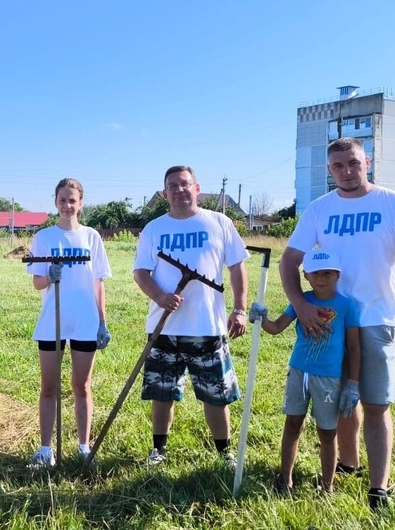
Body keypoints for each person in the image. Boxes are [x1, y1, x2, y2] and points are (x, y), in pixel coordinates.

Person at [280, 137, 395, 510]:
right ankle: (348, 463)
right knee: (340, 398)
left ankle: (378, 487)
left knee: (374, 401)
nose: (347, 172)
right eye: (338, 166)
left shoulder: (393, 203)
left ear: (366, 161)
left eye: (353, 163)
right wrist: (300, 306)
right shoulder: (319, 210)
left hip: (374, 316)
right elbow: (289, 261)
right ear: (329, 171)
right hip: (326, 319)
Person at [133, 165, 249, 466]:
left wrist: (240, 309)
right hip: (164, 327)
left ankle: (224, 452)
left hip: (207, 325)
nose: (179, 190)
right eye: (173, 186)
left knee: (215, 393)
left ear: (196, 188)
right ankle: (158, 449)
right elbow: (140, 272)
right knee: (162, 391)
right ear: (164, 193)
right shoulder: (154, 229)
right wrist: (159, 296)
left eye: (185, 184)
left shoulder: (219, 223)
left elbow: (237, 267)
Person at [249, 249, 361, 494]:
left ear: (337, 275)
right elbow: (276, 327)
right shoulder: (301, 302)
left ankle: (327, 486)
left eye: (327, 273)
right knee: (293, 424)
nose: (321, 278)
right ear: (306, 276)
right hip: (299, 373)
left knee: (327, 432)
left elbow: (354, 346)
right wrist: (261, 317)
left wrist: (353, 383)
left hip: (329, 378)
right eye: (315, 274)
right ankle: (285, 480)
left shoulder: (346, 306)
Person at [25, 178, 112, 468]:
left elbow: (98, 282)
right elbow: (38, 282)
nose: (67, 205)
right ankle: (46, 449)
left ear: (81, 203)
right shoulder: (45, 237)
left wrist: (102, 321)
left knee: (82, 386)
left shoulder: (91, 237)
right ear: (55, 202)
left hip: (85, 321)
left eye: (72, 200)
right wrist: (50, 275)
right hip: (54, 321)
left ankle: (84, 446)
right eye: (62, 200)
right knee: (49, 386)